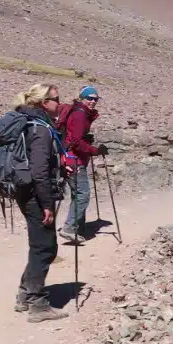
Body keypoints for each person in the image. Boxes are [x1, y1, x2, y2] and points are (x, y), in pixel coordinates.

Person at [11, 83, 68, 323]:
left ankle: (25, 295)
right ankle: (37, 304)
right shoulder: (40, 129)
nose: (60, 103)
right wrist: (46, 204)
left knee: (40, 245)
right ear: (44, 103)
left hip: (26, 192)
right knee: (45, 247)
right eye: (56, 99)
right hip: (37, 196)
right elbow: (40, 172)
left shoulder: (28, 123)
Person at [57, 85, 107, 245]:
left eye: (95, 99)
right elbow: (76, 142)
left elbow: (75, 137)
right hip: (75, 160)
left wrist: (86, 140)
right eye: (89, 98)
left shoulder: (80, 112)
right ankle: (70, 228)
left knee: (77, 194)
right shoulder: (80, 114)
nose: (93, 101)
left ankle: (79, 228)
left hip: (70, 158)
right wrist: (95, 150)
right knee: (83, 194)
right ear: (82, 98)